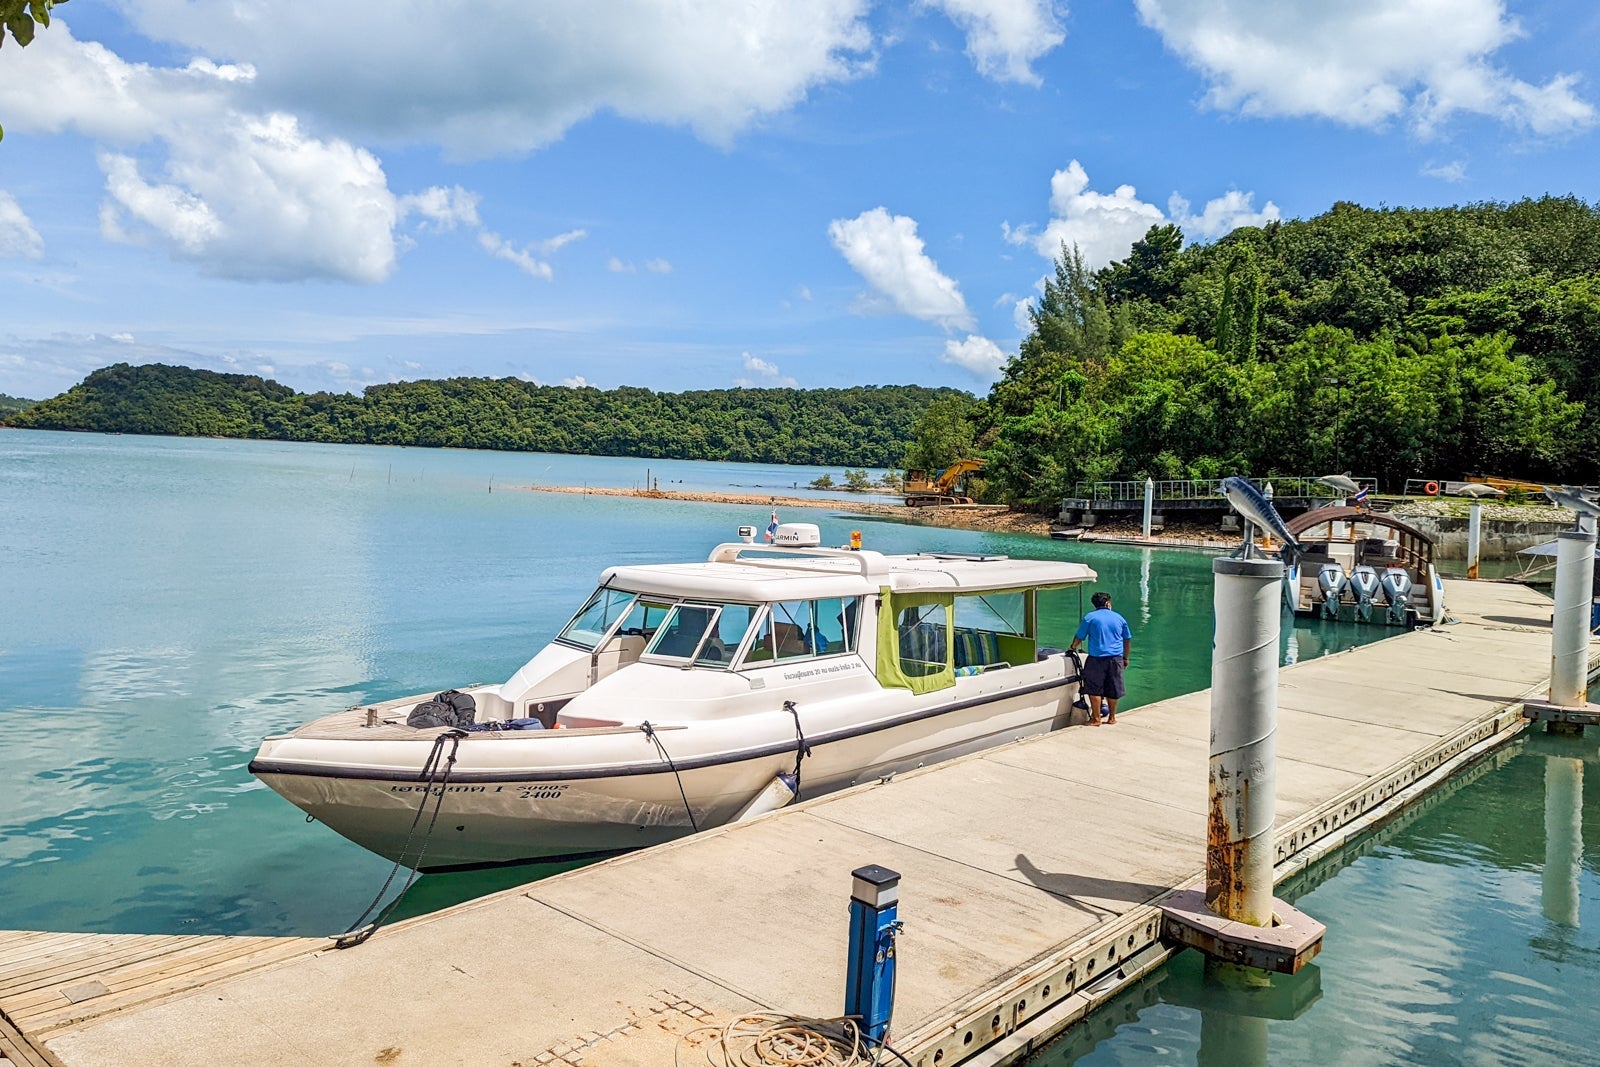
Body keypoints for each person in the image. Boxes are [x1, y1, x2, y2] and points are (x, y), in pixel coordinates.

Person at [1068, 591, 1131, 725]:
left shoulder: (1090, 618)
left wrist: (1072, 647)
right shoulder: (1119, 618)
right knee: (1113, 689)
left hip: (1096, 658)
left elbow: (1080, 636)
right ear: (1108, 603)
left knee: (1094, 688)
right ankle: (1112, 718)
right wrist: (1125, 658)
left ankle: (1096, 719)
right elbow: (1127, 639)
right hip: (1115, 658)